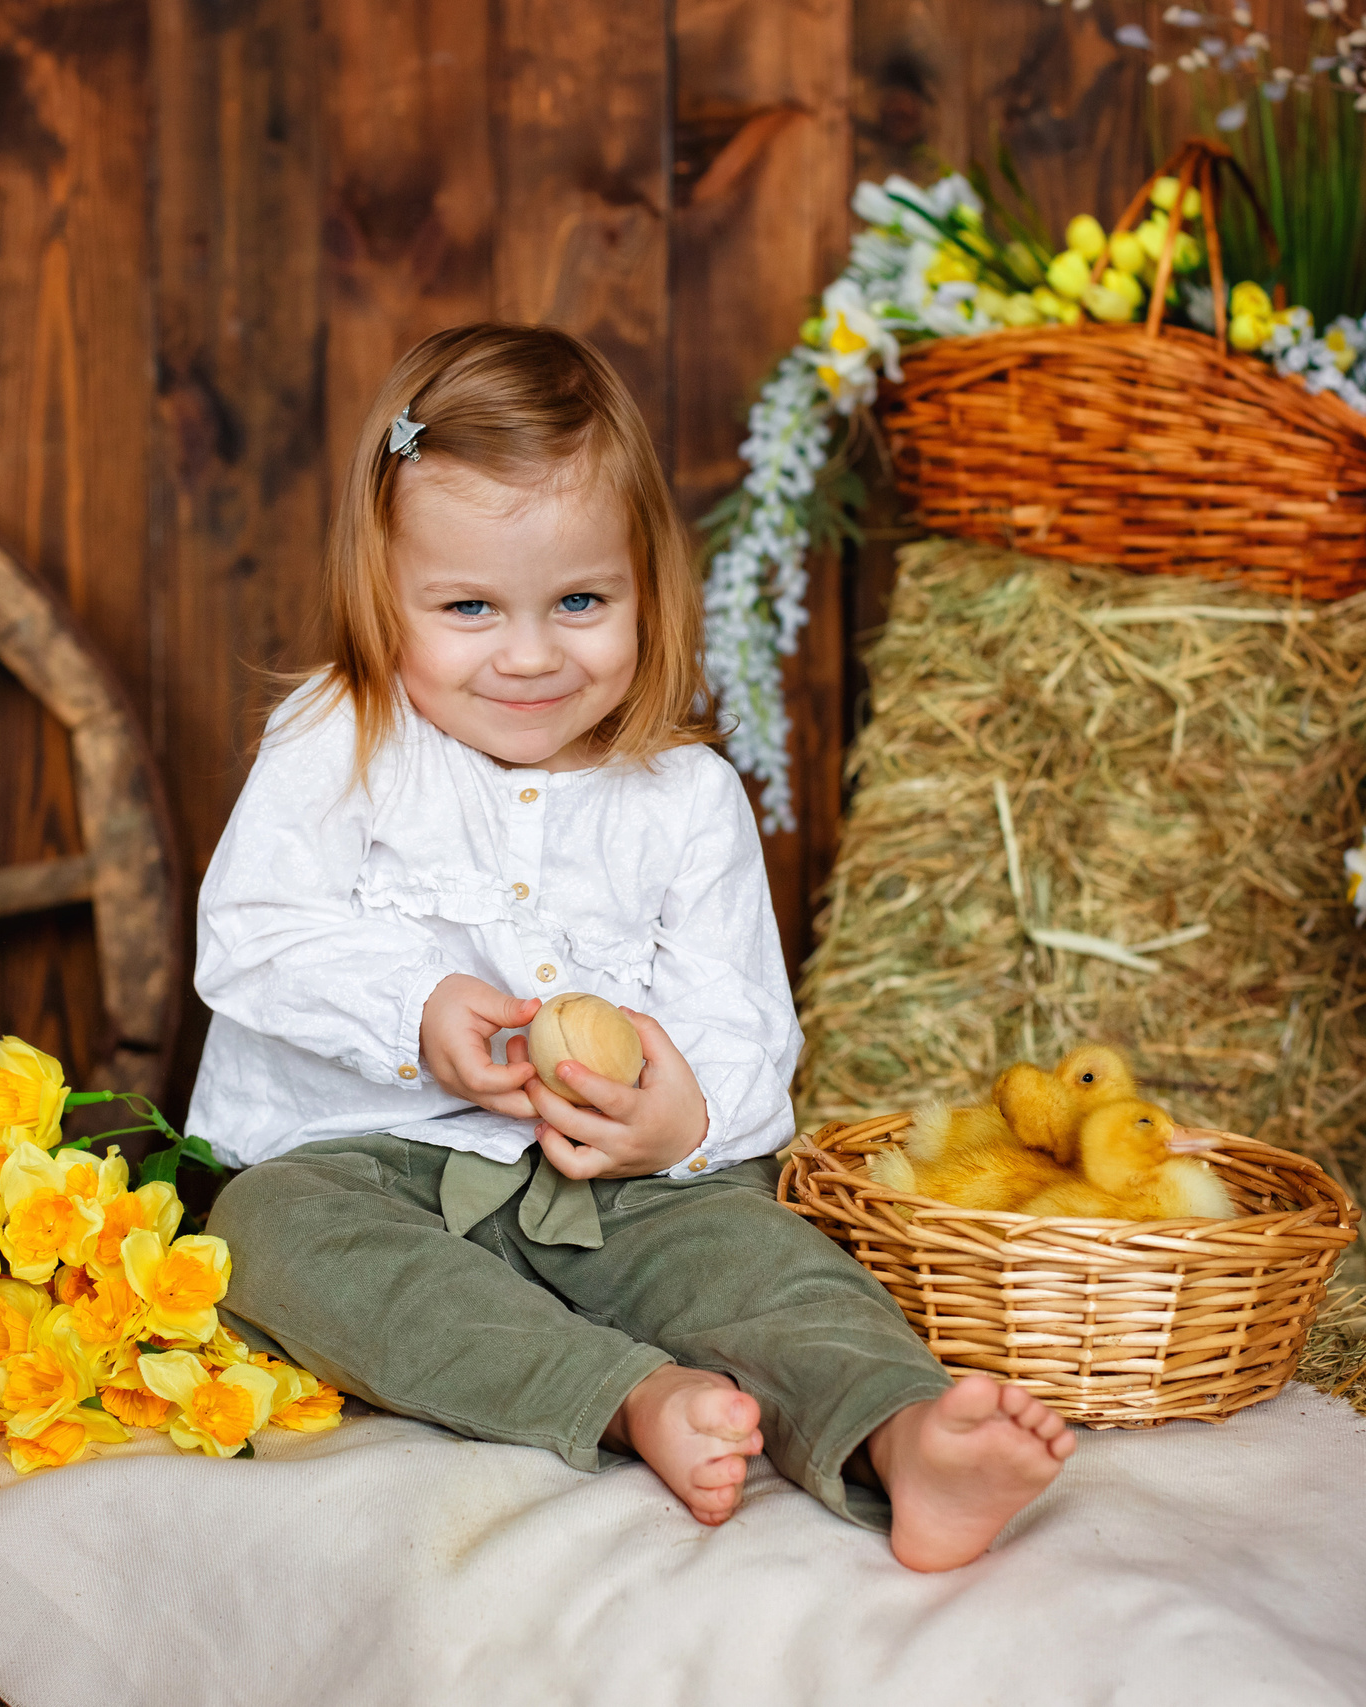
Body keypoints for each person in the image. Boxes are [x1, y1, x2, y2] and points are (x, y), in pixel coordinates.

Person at [190, 323, 1073, 1570]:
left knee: (765, 1265)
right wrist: (418, 1009)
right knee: (266, 1239)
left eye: (581, 602)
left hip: (622, 1184)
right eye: (468, 607)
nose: (533, 653)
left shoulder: (682, 794)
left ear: (646, 585)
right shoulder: (337, 738)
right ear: (380, 596)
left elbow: (746, 1026)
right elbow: (249, 935)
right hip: (367, 1165)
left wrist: (679, 1121)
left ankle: (903, 1435)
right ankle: (625, 1395)